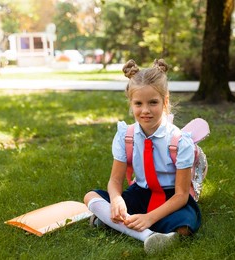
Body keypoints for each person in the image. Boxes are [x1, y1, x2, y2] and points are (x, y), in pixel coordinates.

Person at [83, 59, 201, 254]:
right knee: (91, 197)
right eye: (138, 103)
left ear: (165, 101)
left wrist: (150, 217)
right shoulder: (125, 135)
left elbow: (181, 195)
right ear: (131, 103)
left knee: (184, 226)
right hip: (140, 192)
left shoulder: (180, 141)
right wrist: (116, 199)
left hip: (170, 196)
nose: (145, 110)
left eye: (153, 102)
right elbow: (114, 180)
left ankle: (125, 226)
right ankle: (146, 234)